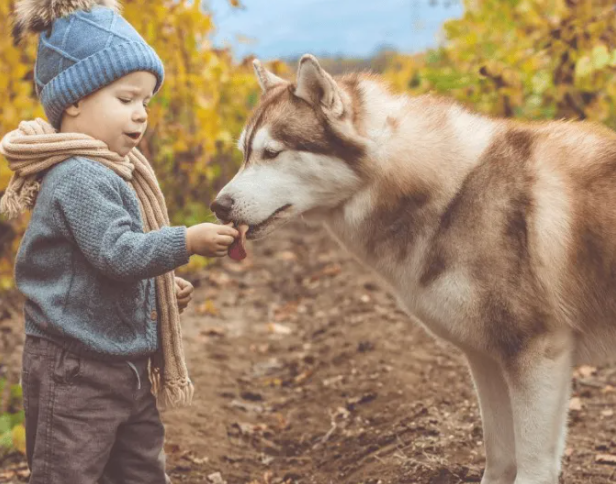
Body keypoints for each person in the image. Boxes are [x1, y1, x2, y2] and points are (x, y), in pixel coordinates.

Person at [0, 0, 238, 481]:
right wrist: (185, 241)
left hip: (122, 362)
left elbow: (100, 264)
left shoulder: (114, 170)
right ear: (74, 100)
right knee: (69, 472)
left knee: (140, 471)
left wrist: (158, 290)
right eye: (126, 99)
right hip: (76, 371)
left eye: (146, 102)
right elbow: (116, 253)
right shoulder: (79, 176)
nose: (141, 114)